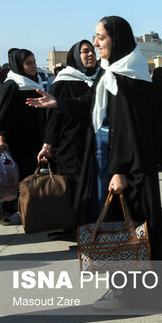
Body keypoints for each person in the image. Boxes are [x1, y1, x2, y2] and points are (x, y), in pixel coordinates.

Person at [27, 16, 162, 311]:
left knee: (128, 227)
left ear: (117, 39)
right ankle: (136, 290)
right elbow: (92, 105)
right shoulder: (109, 73)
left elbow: (132, 129)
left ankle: (128, 294)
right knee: (118, 226)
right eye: (95, 37)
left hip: (124, 165)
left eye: (101, 37)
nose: (95, 43)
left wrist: (120, 169)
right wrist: (58, 103)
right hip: (104, 160)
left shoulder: (130, 75)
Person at [36, 40, 99, 239]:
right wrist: (48, 144)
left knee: (90, 183)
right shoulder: (63, 80)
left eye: (92, 51)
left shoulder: (99, 78)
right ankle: (73, 226)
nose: (90, 54)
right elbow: (54, 116)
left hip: (93, 141)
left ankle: (83, 225)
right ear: (75, 56)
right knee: (72, 184)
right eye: (85, 51)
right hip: (69, 143)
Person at [0, 49, 45, 225]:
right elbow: (3, 115)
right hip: (16, 140)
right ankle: (4, 212)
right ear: (19, 65)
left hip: (34, 138)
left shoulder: (35, 82)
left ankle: (28, 210)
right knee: (11, 178)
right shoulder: (12, 85)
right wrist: (1, 140)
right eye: (28, 63)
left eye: (34, 62)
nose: (33, 66)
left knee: (30, 175)